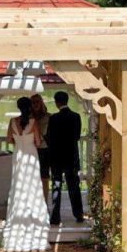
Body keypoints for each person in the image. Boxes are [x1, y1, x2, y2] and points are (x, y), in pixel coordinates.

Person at [2, 96, 50, 251]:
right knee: (33, 187)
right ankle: (34, 217)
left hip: (18, 155)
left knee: (18, 186)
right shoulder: (34, 122)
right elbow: (38, 141)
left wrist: (19, 141)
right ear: (29, 107)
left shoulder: (12, 122)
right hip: (31, 155)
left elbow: (9, 139)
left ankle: (17, 218)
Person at [46, 91, 84, 225]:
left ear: (57, 103)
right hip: (71, 157)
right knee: (74, 187)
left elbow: (49, 139)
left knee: (56, 186)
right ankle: (79, 215)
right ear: (67, 101)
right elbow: (77, 137)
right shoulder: (76, 116)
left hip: (56, 158)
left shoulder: (53, 118)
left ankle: (55, 217)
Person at [31, 94, 51, 204]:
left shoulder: (49, 117)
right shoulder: (28, 118)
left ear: (41, 103)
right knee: (32, 178)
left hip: (44, 150)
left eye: (37, 102)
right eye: (33, 102)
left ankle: (44, 202)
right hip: (31, 151)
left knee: (44, 178)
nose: (35, 104)